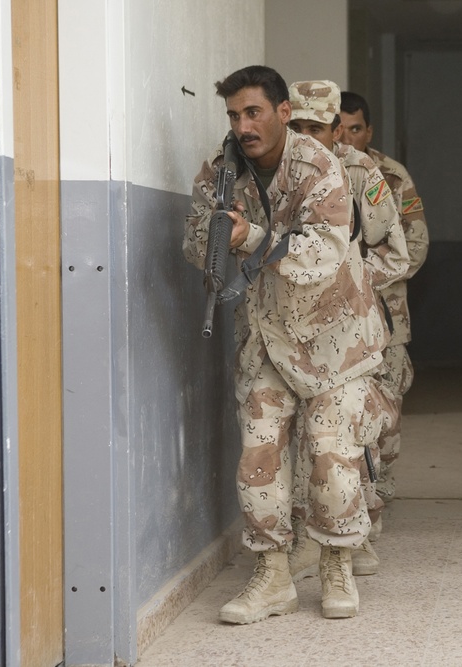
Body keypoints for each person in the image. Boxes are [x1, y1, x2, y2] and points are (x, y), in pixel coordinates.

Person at [182, 65, 388, 621]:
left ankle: (336, 561)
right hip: (267, 336)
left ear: (282, 113)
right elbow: (194, 241)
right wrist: (216, 236)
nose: (243, 125)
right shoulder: (222, 169)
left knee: (331, 457)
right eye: (233, 115)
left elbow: (323, 252)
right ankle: (272, 575)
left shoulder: (319, 163)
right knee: (260, 455)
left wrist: (249, 236)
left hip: (335, 338)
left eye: (253, 112)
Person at [284, 79, 410, 581]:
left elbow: (396, 255)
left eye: (316, 127)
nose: (306, 137)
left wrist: (341, 277)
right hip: (289, 328)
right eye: (297, 126)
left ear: (338, 130)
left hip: (346, 329)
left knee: (349, 435)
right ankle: (306, 540)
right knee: (297, 437)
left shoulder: (360, 172)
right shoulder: (277, 171)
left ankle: (356, 536)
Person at [339, 90, 430, 519]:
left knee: (385, 406)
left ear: (368, 131)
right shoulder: (312, 171)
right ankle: (352, 501)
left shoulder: (391, 176)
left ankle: (381, 490)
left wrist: (362, 274)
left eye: (355, 129)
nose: (346, 137)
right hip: (331, 318)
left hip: (386, 313)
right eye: (338, 127)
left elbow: (416, 243)